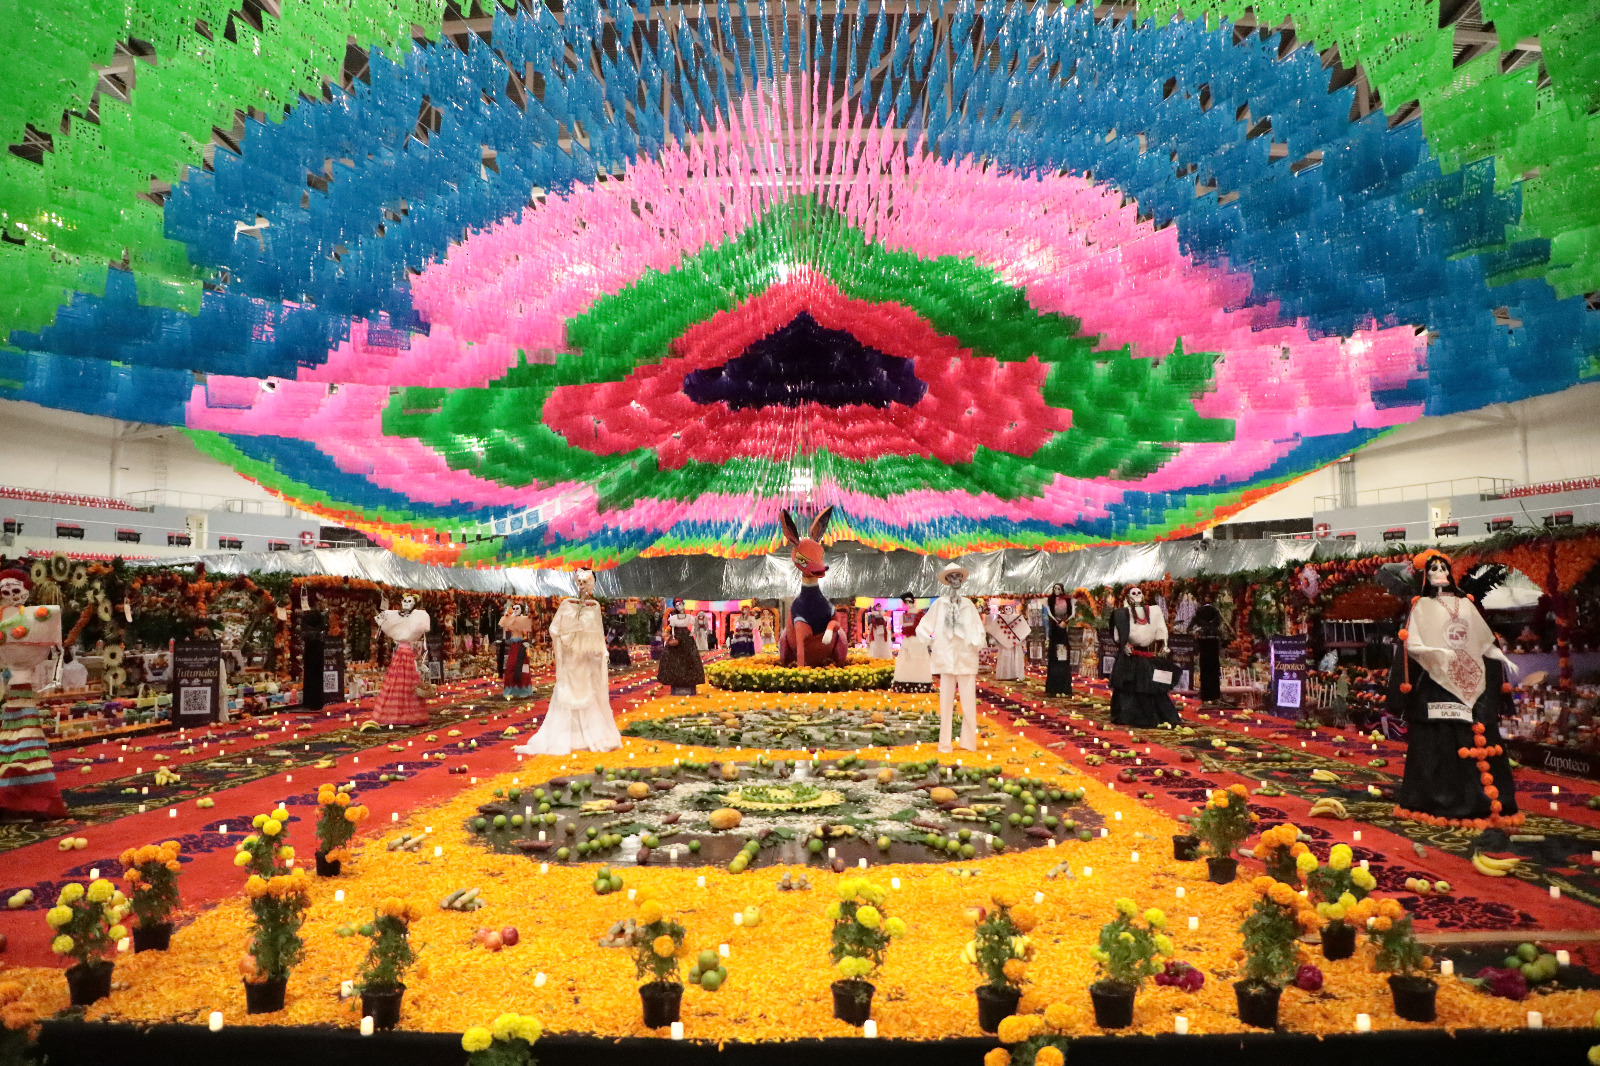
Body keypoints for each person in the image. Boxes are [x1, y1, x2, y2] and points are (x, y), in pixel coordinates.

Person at [1390, 550, 1521, 826]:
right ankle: (1443, 799)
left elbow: (1483, 641)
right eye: (1433, 569)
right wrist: (1437, 652)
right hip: (1437, 682)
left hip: (1473, 678)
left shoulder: (1466, 605)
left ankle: (1485, 801)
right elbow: (1412, 646)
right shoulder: (1421, 607)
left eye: (1443, 568)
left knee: (1477, 734)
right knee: (1444, 740)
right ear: (1424, 575)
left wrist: (1502, 658)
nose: (1440, 573)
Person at [516, 570, 621, 755]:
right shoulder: (566, 605)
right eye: (579, 582)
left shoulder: (594, 606)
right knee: (566, 691)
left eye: (585, 582)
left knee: (586, 692)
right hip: (569, 656)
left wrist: (600, 652)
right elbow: (554, 629)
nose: (582, 586)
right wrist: (567, 635)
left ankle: (587, 735)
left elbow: (597, 633)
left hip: (585, 659)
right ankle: (566, 735)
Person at [0, 568, 67, 818]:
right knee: (13, 739)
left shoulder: (41, 617)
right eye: (4, 591)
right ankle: (14, 795)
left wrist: (56, 678)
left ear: (26, 592)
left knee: (22, 737)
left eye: (15, 590)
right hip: (14, 693)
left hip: (23, 692)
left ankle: (30, 796)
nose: (10, 595)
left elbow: (60, 650)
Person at [919, 563, 987, 752]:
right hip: (946, 657)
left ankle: (968, 743)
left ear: (962, 581)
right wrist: (930, 642)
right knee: (945, 704)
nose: (956, 580)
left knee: (968, 703)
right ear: (947, 581)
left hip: (965, 657)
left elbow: (980, 631)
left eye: (959, 577)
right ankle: (944, 743)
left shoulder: (968, 605)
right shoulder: (940, 604)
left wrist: (975, 643)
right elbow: (923, 626)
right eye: (952, 577)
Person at [1108, 585, 1181, 727]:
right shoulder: (1122, 614)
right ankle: (1129, 715)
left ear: (1142, 595)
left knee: (1151, 686)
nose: (1136, 595)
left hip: (1148, 656)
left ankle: (1154, 715)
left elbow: (1161, 628)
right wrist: (1124, 646)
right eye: (1133, 593)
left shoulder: (1154, 611)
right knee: (1129, 686)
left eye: (1139, 593)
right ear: (1128, 597)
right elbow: (1118, 635)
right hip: (1131, 657)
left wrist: (1165, 644)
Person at [373, 594, 432, 726]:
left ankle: (404, 713)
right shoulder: (396, 615)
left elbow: (423, 627)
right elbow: (384, 618)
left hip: (405, 653)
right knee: (399, 679)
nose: (406, 603)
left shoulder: (417, 616)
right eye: (404, 601)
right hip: (402, 653)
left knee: (404, 680)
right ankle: (399, 713)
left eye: (409, 601)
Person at [657, 598, 705, 695]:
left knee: (689, 658)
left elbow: (696, 625)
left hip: (687, 639)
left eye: (680, 604)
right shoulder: (673, 618)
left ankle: (689, 682)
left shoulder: (689, 617)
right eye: (677, 605)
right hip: (677, 639)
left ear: (683, 604)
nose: (679, 606)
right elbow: (671, 628)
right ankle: (676, 681)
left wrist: (692, 632)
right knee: (675, 659)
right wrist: (669, 634)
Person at [891, 593, 933, 692]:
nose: (908, 604)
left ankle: (921, 683)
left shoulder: (921, 616)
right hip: (908, 641)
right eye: (906, 602)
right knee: (907, 661)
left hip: (918, 641)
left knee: (918, 661)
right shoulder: (903, 616)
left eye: (910, 601)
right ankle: (905, 683)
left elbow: (926, 630)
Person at [1043, 584, 1076, 696]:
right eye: (1055, 589)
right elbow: (1049, 613)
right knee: (1054, 655)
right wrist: (1056, 622)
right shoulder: (1050, 600)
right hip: (1055, 629)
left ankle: (1064, 685)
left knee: (1063, 655)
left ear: (1062, 589)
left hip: (1063, 629)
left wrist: (1065, 622)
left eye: (1058, 589)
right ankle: (1053, 686)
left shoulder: (1068, 600)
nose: (1057, 591)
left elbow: (1072, 613)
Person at [1191, 599, 1225, 704]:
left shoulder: (1199, 612)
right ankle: (1215, 696)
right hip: (1213, 642)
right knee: (1214, 669)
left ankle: (1205, 696)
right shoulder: (1215, 611)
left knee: (1204, 669)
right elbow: (1218, 624)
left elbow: (1192, 625)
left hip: (1203, 643)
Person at [498, 601, 535, 698]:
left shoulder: (523, 619)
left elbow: (531, 621)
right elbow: (504, 623)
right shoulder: (510, 619)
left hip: (520, 645)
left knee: (521, 665)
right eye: (513, 609)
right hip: (513, 645)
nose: (515, 610)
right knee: (511, 665)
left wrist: (530, 617)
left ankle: (522, 689)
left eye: (517, 608)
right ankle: (512, 689)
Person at [987, 601, 1030, 681]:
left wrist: (1019, 638)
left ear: (1012, 609)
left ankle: (1015, 673)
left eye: (1009, 608)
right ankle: (1005, 674)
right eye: (1006, 608)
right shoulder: (1000, 618)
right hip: (1004, 643)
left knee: (1015, 656)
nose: (1008, 610)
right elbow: (995, 628)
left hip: (1015, 643)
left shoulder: (1017, 617)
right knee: (1006, 656)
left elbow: (1023, 628)